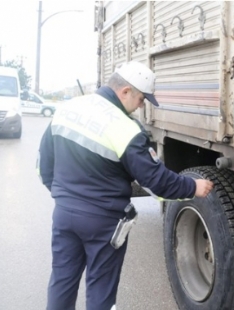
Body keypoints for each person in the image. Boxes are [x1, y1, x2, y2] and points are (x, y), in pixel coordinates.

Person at [37, 61, 214, 310]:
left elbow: (43, 166)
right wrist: (192, 187)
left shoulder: (67, 108)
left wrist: (66, 198)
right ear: (125, 91)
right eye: (141, 99)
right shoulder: (125, 128)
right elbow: (156, 182)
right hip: (103, 223)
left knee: (61, 281)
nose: (141, 106)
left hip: (64, 214)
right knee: (100, 290)